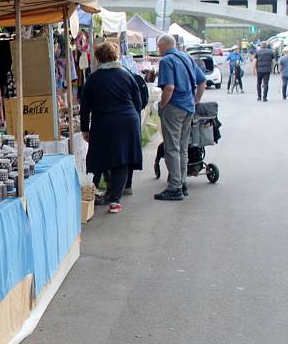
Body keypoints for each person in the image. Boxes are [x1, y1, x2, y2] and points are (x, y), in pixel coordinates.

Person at [80, 42, 143, 214]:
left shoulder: (93, 78)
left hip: (104, 122)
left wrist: (84, 129)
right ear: (115, 56)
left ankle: (89, 196)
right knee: (121, 160)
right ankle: (115, 201)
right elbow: (137, 101)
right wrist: (136, 122)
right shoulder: (126, 75)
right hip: (127, 122)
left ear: (98, 58)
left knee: (97, 157)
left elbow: (85, 106)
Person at [154, 34, 206, 201]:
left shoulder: (166, 61)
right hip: (188, 107)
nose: (158, 50)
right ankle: (182, 183)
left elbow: (169, 87)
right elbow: (202, 81)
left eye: (158, 46)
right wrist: (196, 100)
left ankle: (175, 187)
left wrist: (162, 104)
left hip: (174, 107)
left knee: (171, 147)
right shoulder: (186, 57)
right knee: (183, 147)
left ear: (162, 46)